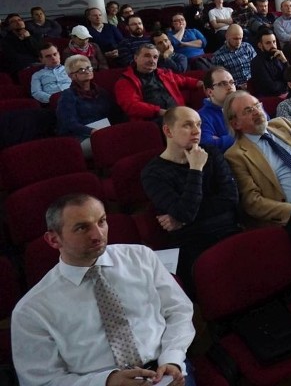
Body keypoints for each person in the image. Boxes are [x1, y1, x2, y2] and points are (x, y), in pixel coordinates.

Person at [11, 194, 195, 386]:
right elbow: (41, 381)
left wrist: (172, 358)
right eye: (82, 228)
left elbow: (178, 311)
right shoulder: (31, 310)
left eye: (101, 222)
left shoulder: (141, 257)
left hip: (165, 370)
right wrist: (106, 382)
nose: (98, 235)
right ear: (54, 240)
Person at [142, 106, 241, 297]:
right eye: (187, 125)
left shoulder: (211, 152)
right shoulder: (152, 173)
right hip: (192, 243)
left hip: (228, 229)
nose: (196, 131)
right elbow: (185, 212)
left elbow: (230, 198)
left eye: (199, 125)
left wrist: (183, 218)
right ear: (168, 131)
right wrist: (195, 169)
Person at [223, 90, 291, 227]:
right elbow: (252, 202)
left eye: (257, 105)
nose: (256, 112)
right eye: (248, 110)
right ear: (236, 124)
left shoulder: (281, 124)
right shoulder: (236, 155)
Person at [114, 44, 202, 122]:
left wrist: (202, 84)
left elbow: (184, 81)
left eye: (155, 57)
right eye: (147, 56)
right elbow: (132, 106)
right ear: (136, 58)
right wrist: (159, 112)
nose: (152, 60)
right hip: (152, 121)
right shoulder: (125, 81)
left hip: (177, 114)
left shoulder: (163, 73)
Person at [57, 55, 121, 158]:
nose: (87, 71)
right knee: (112, 143)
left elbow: (113, 113)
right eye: (81, 70)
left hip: (104, 132)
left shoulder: (101, 92)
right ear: (72, 76)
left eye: (88, 68)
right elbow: (69, 123)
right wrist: (91, 131)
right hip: (81, 137)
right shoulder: (67, 95)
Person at [198, 66, 237, 151]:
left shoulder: (244, 102)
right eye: (223, 84)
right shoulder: (202, 116)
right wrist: (242, 134)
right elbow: (207, 145)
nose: (230, 87)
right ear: (210, 92)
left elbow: (265, 122)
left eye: (232, 82)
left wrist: (221, 140)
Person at [212, 24, 255, 89]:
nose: (238, 42)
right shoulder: (218, 56)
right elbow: (222, 80)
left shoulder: (247, 47)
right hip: (234, 89)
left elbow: (258, 67)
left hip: (254, 84)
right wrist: (239, 87)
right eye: (235, 39)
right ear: (226, 36)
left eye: (240, 38)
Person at [249, 26, 289, 97]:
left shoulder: (279, 56)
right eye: (268, 43)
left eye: (274, 42)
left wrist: (285, 61)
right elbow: (271, 88)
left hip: (286, 93)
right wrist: (286, 83)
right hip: (271, 98)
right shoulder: (256, 63)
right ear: (260, 45)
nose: (273, 46)